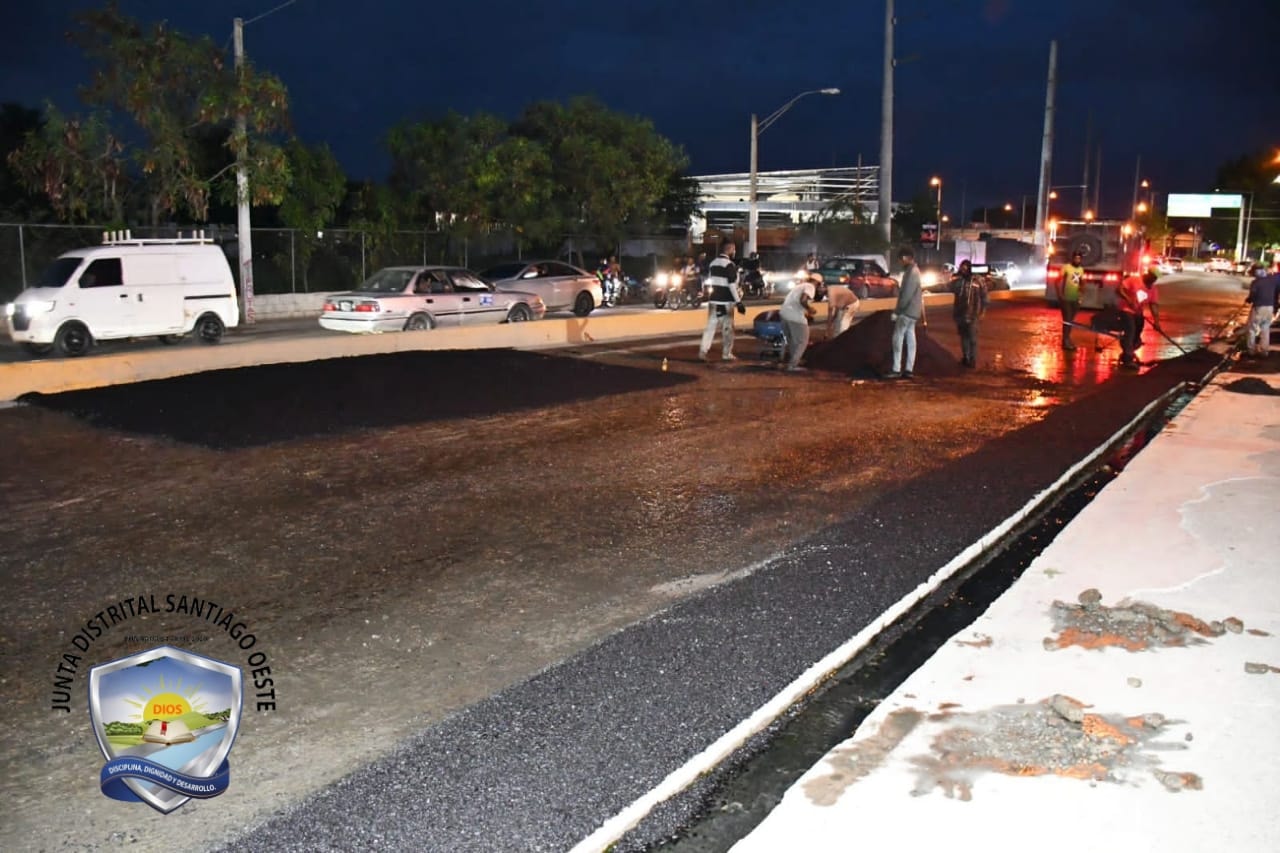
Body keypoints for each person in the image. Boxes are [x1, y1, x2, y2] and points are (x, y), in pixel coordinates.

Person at [698, 242, 744, 362]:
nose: (734, 252)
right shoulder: (729, 265)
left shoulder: (713, 263)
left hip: (714, 301)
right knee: (728, 329)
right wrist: (738, 302)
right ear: (730, 250)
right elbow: (732, 285)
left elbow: (711, 280)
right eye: (734, 250)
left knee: (710, 327)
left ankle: (703, 351)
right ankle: (726, 354)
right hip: (726, 302)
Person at [886, 247, 924, 379]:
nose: (901, 262)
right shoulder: (914, 271)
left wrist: (897, 311)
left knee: (897, 338)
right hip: (913, 312)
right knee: (910, 338)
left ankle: (896, 369)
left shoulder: (912, 272)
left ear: (905, 258)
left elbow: (906, 294)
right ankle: (908, 369)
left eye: (901, 260)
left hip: (906, 312)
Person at [949, 259, 988, 368]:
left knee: (972, 338)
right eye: (962, 268)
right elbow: (946, 287)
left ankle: (972, 359)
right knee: (963, 337)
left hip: (973, 315)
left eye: (965, 268)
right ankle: (966, 357)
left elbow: (984, 298)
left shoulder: (978, 281)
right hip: (960, 315)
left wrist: (982, 312)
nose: (963, 270)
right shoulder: (958, 282)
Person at [779, 272, 817, 371]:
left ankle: (793, 361)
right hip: (794, 315)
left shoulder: (799, 286)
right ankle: (793, 365)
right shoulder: (810, 286)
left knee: (793, 340)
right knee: (803, 340)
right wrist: (810, 309)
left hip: (784, 313)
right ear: (817, 282)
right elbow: (803, 300)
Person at [1245, 267, 1280, 358]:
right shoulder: (1272, 282)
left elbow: (1252, 295)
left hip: (1259, 307)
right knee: (1265, 328)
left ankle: (1251, 350)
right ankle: (1264, 351)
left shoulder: (1256, 282)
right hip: (1270, 308)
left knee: (1252, 328)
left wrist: (1248, 300)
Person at [1115, 272, 1146, 369]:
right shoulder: (1134, 280)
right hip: (1126, 310)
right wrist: (1128, 300)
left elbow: (1153, 304)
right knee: (1130, 329)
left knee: (1138, 330)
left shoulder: (1151, 289)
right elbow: (1118, 290)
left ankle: (1129, 350)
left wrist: (1156, 322)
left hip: (1137, 313)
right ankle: (1128, 358)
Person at [1058, 251, 1085, 350]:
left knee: (1071, 321)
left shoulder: (1081, 270)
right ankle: (1065, 341)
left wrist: (1081, 295)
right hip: (1066, 299)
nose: (1077, 260)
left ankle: (1067, 339)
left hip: (1075, 299)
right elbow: (1057, 281)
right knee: (1067, 321)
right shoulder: (1066, 267)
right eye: (1075, 258)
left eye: (1079, 258)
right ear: (1072, 258)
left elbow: (1082, 283)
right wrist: (1060, 295)